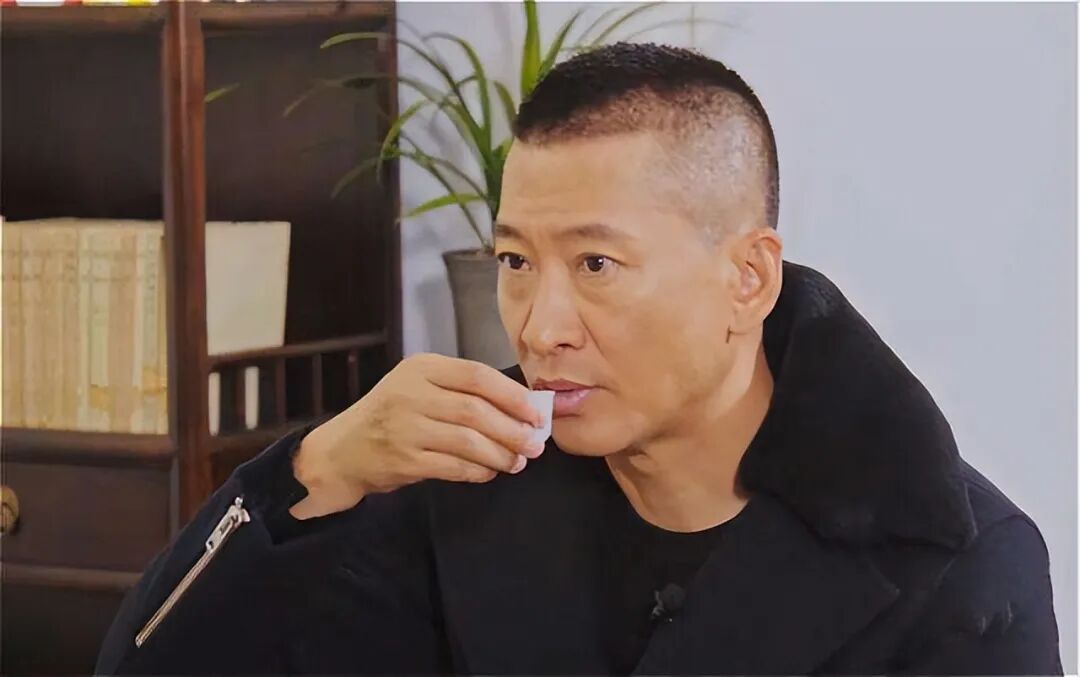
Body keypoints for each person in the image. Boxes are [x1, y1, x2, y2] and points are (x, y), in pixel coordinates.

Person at [96, 43, 1062, 675]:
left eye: (596, 264)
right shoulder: (460, 488)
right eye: (516, 262)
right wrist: (317, 469)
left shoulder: (959, 566)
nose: (540, 326)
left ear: (748, 278)